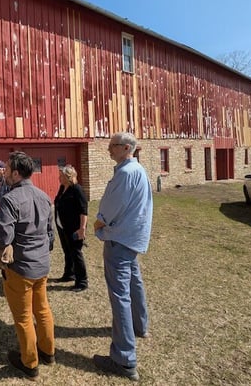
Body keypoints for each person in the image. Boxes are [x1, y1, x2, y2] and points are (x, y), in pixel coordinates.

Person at [0, 151, 56, 380]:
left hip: (20, 268)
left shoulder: (10, 199)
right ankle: (48, 352)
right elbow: (50, 234)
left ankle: (30, 363)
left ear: (16, 173)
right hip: (42, 265)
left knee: (24, 317)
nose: (4, 173)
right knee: (42, 310)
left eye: (6, 170)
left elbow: (4, 236)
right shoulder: (44, 196)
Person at [92, 132, 153, 382]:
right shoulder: (137, 169)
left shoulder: (126, 173)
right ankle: (140, 327)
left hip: (120, 238)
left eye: (112, 146)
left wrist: (98, 224)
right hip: (132, 238)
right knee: (134, 283)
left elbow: (108, 208)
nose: (108, 150)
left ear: (126, 148)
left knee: (120, 295)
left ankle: (124, 359)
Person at [54, 164, 88, 292]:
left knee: (76, 253)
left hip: (75, 228)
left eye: (61, 176)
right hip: (62, 226)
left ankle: (82, 281)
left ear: (68, 176)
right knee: (67, 252)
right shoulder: (62, 188)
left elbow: (83, 211)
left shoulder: (77, 189)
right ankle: (69, 274)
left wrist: (82, 228)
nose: (59, 178)